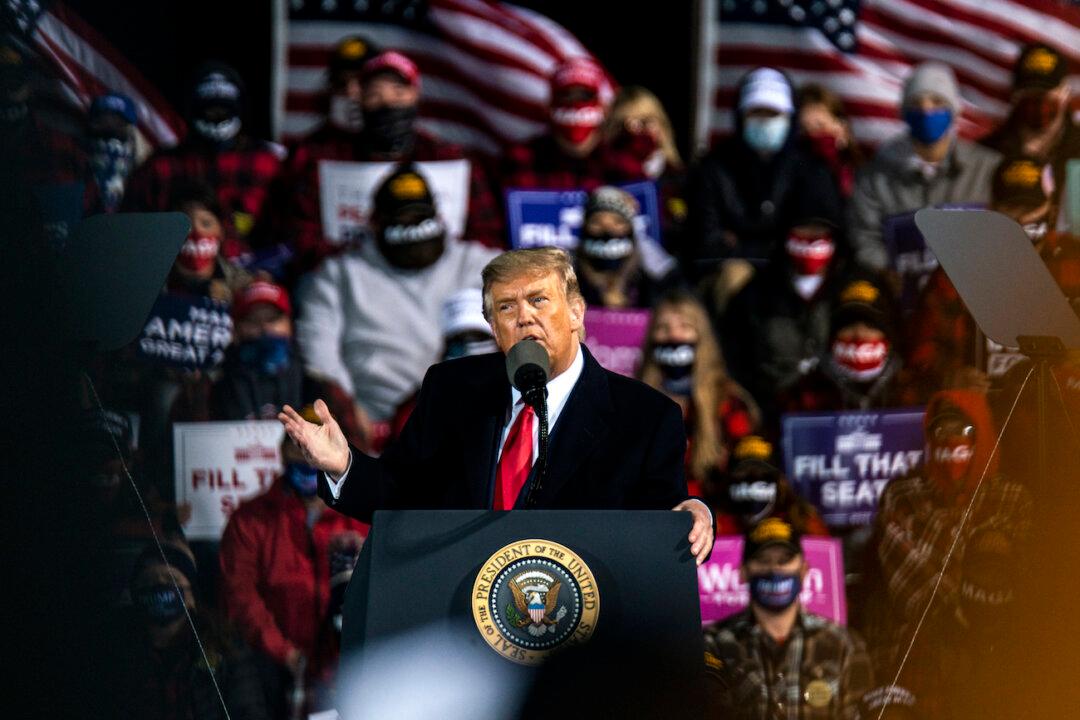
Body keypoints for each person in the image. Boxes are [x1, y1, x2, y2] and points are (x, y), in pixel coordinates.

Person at [279, 247, 715, 563]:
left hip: (585, 646)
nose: (524, 317)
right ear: (493, 327)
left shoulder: (645, 417)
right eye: (507, 307)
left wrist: (690, 515)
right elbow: (402, 494)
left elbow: (663, 519)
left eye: (539, 300)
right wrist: (343, 466)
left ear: (577, 313)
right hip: (465, 626)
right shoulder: (452, 389)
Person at [294, 164, 498, 423]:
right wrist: (351, 418)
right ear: (374, 223)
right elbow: (319, 356)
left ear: (438, 216)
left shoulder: (484, 266)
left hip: (473, 418)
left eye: (419, 217)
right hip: (377, 426)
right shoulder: (338, 275)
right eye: (401, 220)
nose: (411, 229)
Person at [283, 48, 503, 273]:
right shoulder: (326, 161)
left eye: (398, 92)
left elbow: (487, 236)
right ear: (360, 99)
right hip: (356, 279)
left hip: (443, 279)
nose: (387, 103)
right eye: (375, 94)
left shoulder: (451, 159)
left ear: (415, 94)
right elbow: (301, 237)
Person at [861, 389, 1032, 658]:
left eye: (963, 429)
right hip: (915, 647)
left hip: (998, 644)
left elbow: (1016, 575)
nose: (952, 440)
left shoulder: (1012, 497)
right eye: (941, 429)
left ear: (982, 432)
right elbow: (910, 582)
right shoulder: (903, 495)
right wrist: (961, 606)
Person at [219, 431, 368, 715]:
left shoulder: (358, 518)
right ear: (283, 457)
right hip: (271, 672)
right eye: (299, 457)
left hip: (343, 671)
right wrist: (285, 653)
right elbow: (240, 598)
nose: (308, 468)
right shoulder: (250, 520)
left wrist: (367, 556)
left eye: (315, 460)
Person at [905, 155, 1062, 401]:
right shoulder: (960, 268)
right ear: (992, 210)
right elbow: (922, 349)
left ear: (1051, 211)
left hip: (1064, 415)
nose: (1020, 218)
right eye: (1011, 207)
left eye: (1030, 208)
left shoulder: (1073, 261)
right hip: (979, 413)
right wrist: (951, 376)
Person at [703, 517, 874, 718]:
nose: (775, 569)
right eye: (763, 560)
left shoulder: (844, 644)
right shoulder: (714, 644)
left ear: (804, 571)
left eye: (784, 560)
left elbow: (862, 714)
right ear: (743, 572)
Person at [848, 62, 1001, 270]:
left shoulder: (988, 169)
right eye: (916, 103)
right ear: (904, 112)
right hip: (903, 293)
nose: (926, 110)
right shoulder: (876, 176)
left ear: (953, 110)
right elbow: (865, 243)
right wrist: (903, 275)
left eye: (937, 102)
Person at [687, 67, 843, 268]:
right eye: (756, 113)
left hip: (793, 275)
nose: (765, 121)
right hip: (727, 275)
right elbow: (705, 240)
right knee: (736, 274)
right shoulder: (713, 168)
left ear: (790, 118)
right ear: (740, 116)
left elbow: (817, 237)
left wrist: (743, 242)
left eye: (773, 113)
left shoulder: (812, 169)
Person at [123, 61, 285, 249]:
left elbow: (287, 232)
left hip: (248, 271)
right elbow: (132, 228)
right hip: (175, 270)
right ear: (193, 109)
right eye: (209, 109)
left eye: (223, 109)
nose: (216, 115)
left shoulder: (266, 164)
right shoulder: (160, 167)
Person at [723, 216, 861, 426]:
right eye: (803, 232)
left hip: (846, 413)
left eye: (819, 235)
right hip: (772, 412)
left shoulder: (855, 288)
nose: (810, 241)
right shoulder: (756, 293)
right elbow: (735, 358)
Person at [112, 542, 269, 720]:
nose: (160, 586)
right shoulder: (115, 652)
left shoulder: (226, 646)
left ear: (191, 596)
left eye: (171, 580)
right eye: (149, 581)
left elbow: (248, 711)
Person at [210, 279, 370, 449]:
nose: (265, 329)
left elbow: (357, 453)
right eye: (253, 321)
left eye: (273, 319)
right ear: (235, 330)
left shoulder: (322, 389)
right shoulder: (210, 390)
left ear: (290, 325)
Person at [637, 290, 759, 497]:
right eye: (663, 328)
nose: (674, 337)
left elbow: (749, 468)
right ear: (651, 340)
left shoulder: (728, 401)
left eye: (685, 327)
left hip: (714, 520)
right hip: (651, 518)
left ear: (702, 338)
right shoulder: (633, 401)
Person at [779, 274, 908, 419]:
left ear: (887, 337)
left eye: (870, 326)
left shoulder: (908, 388)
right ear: (832, 336)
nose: (859, 334)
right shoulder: (804, 394)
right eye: (849, 325)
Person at [502, 57, 637, 191]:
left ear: (604, 107)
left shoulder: (624, 165)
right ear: (548, 107)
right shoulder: (521, 161)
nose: (575, 104)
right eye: (566, 96)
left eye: (585, 96)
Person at [388, 286, 498, 442]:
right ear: (443, 350)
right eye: (459, 341)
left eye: (479, 338)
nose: (469, 349)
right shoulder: (418, 408)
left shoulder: (520, 400)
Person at [981, 43, 1079, 217]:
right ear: (1015, 95)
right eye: (1030, 93)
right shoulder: (987, 153)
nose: (1039, 102)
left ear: (1065, 93)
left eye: (1046, 93)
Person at [604, 85, 689, 251]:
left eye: (644, 121)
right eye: (624, 125)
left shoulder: (683, 179)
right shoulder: (599, 178)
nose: (635, 132)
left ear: (662, 126)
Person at [574, 185, 681, 308]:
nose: (608, 231)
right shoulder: (569, 268)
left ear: (630, 228)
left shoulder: (657, 272)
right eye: (596, 222)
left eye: (617, 222)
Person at [710, 435, 829, 537]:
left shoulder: (801, 520)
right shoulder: (713, 524)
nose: (752, 480)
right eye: (744, 472)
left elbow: (822, 557)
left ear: (780, 480)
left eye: (761, 473)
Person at [798, 84, 862, 198]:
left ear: (841, 128)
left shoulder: (864, 179)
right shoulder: (786, 179)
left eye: (820, 127)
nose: (813, 135)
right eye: (804, 129)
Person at [85, 92, 139, 214]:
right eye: (102, 120)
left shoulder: (142, 169)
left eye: (118, 121)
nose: (109, 125)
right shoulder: (76, 155)